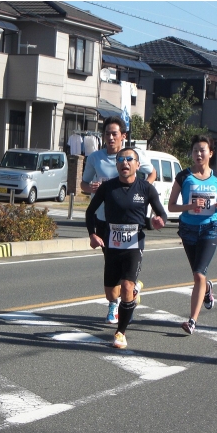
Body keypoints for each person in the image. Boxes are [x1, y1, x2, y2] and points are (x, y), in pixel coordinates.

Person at [85, 147, 167, 349]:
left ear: (137, 165)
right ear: (117, 164)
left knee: (127, 288)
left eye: (130, 159)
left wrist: (158, 221)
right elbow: (90, 212)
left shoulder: (145, 188)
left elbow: (161, 213)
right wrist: (93, 235)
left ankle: (120, 332)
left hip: (134, 244)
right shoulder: (108, 187)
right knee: (111, 294)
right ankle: (135, 291)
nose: (125, 162)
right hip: (112, 243)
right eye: (121, 159)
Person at [81, 116, 157, 324]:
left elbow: (152, 174)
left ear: (123, 136)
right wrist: (92, 189)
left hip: (129, 222)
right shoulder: (95, 158)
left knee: (125, 269)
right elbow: (84, 184)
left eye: (114, 134)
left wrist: (140, 193)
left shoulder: (134, 156)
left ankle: (118, 303)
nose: (110, 137)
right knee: (111, 265)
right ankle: (123, 292)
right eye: (107, 134)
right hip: (104, 221)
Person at [167, 135, 217, 335]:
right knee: (198, 275)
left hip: (210, 228)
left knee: (199, 273)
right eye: (195, 150)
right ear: (191, 153)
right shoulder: (183, 177)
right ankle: (207, 288)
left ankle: (192, 321)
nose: (199, 154)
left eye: (202, 150)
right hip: (188, 229)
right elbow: (171, 206)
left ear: (210, 153)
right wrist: (190, 206)